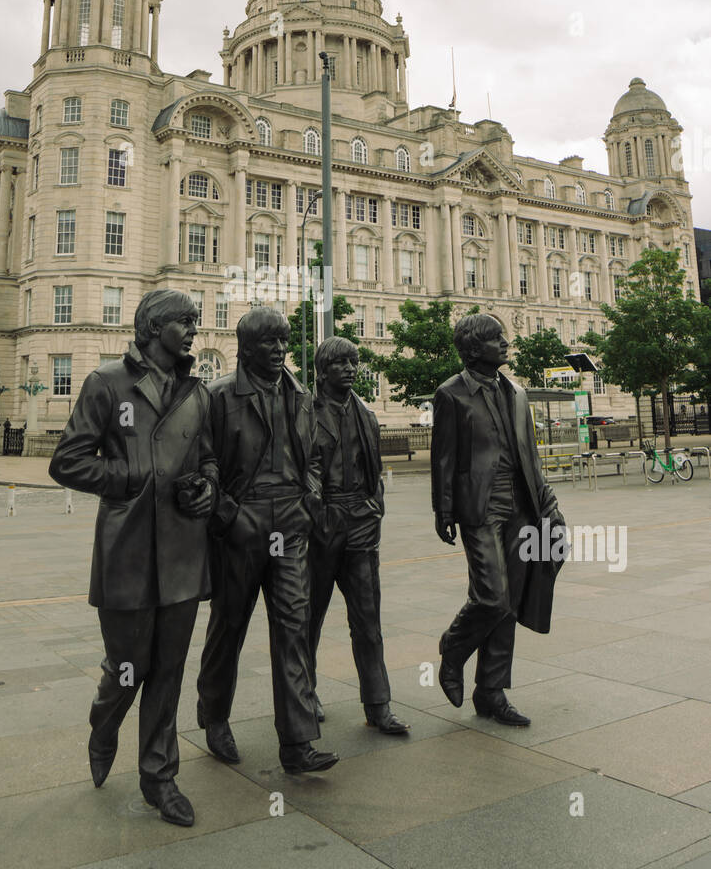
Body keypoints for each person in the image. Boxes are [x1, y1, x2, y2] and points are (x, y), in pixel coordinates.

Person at [48, 290, 216, 827]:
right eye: (182, 322)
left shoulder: (197, 391)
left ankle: (159, 778)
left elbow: (207, 458)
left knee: (168, 671)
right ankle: (104, 722)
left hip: (184, 552)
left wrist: (206, 488)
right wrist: (128, 479)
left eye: (195, 321)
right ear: (150, 327)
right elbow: (67, 461)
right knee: (127, 670)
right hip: (128, 550)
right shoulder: (107, 383)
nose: (193, 330)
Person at [196, 307, 339, 775]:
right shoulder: (218, 396)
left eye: (283, 341)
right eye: (269, 342)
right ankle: (214, 717)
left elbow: (314, 457)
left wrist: (310, 495)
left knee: (294, 628)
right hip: (242, 524)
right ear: (246, 348)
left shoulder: (300, 396)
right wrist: (227, 514)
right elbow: (203, 463)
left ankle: (297, 744)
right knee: (229, 626)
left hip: (292, 524)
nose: (280, 350)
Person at [431, 313, 566, 726]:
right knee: (492, 596)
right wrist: (444, 509)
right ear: (474, 348)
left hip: (521, 505)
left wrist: (549, 505)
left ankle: (491, 691)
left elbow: (532, 458)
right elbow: (444, 458)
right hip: (479, 505)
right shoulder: (451, 394)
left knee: (510, 601)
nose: (506, 343)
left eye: (504, 337)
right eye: (496, 338)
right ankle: (453, 650)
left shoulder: (517, 393)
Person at [308, 337, 409, 735]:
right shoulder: (305, 412)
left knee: (368, 621)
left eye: (353, 362)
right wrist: (315, 514)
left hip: (361, 523)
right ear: (322, 371)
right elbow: (302, 469)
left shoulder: (365, 413)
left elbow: (375, 470)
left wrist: (374, 507)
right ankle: (305, 690)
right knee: (307, 619)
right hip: (321, 525)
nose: (350, 369)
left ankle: (378, 704)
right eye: (340, 363)